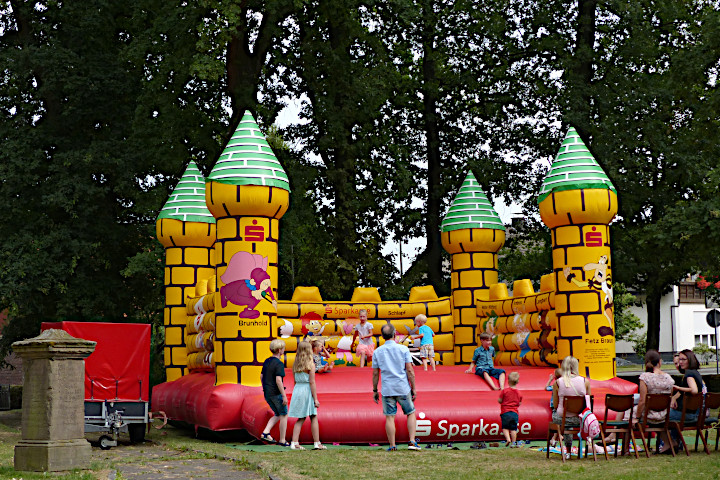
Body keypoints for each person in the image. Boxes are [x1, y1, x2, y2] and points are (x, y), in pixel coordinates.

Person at [372, 324, 421, 451]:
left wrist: (375, 390)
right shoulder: (403, 349)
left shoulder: (377, 352)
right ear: (395, 335)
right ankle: (411, 441)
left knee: (389, 417)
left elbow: (375, 373)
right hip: (402, 387)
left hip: (387, 389)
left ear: (382, 336)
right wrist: (414, 387)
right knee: (410, 413)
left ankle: (392, 445)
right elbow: (410, 370)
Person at [287, 341, 326, 450]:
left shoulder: (295, 364)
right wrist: (316, 399)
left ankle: (295, 442)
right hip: (306, 390)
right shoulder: (310, 364)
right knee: (313, 416)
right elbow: (312, 382)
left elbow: (294, 381)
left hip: (298, 389)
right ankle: (316, 443)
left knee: (301, 417)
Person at [552, 356, 591, 459]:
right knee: (567, 418)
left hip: (564, 417)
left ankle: (568, 450)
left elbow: (555, 405)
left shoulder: (558, 383)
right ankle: (587, 444)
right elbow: (588, 402)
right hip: (581, 418)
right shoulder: (585, 381)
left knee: (562, 419)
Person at [667, 349, 704, 449]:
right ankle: (676, 444)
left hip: (690, 415)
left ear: (690, 360)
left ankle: (669, 443)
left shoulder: (689, 374)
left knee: (660, 415)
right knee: (672, 415)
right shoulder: (695, 373)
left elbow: (694, 390)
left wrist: (677, 387)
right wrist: (674, 397)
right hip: (696, 413)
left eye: (683, 359)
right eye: (680, 360)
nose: (680, 362)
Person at [260, 339, 289, 447]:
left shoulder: (267, 361)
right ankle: (282, 440)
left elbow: (261, 376)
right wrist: (284, 396)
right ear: (279, 350)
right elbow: (278, 380)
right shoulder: (279, 364)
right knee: (284, 415)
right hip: (276, 393)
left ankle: (266, 432)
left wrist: (265, 388)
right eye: (283, 349)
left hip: (267, 393)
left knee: (277, 414)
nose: (284, 350)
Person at [498, 371, 522, 447]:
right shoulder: (519, 393)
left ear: (508, 381)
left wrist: (501, 401)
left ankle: (508, 439)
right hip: (514, 413)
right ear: (517, 382)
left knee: (505, 428)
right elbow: (519, 403)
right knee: (513, 429)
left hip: (505, 412)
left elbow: (500, 400)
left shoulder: (505, 391)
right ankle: (514, 442)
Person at [546, 368, 562, 447]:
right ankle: (555, 437)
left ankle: (554, 437)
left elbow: (546, 388)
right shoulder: (563, 384)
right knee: (559, 421)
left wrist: (550, 380)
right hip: (562, 405)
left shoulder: (555, 385)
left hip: (555, 405)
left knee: (556, 422)